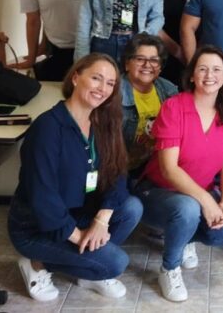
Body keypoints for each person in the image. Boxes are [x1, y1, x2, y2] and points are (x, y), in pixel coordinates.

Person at [8, 54, 143, 302]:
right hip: (37, 226)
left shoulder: (103, 122)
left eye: (110, 83)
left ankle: (86, 268)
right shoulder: (48, 127)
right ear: (76, 77)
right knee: (115, 263)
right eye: (96, 78)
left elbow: (118, 174)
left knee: (131, 207)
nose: (103, 88)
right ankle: (37, 264)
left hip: (79, 212)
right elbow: (43, 197)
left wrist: (102, 220)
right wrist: (80, 238)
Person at [135, 46, 223, 302]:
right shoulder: (174, 107)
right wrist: (207, 201)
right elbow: (169, 169)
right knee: (188, 209)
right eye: (202, 68)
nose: (209, 75)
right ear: (192, 75)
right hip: (157, 191)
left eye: (216, 69)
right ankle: (169, 268)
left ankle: (185, 235)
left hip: (198, 194)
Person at [119, 34, 178, 180]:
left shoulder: (169, 90)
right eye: (140, 59)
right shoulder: (114, 92)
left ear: (160, 67)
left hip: (160, 167)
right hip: (123, 169)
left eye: (154, 60)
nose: (147, 65)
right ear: (127, 64)